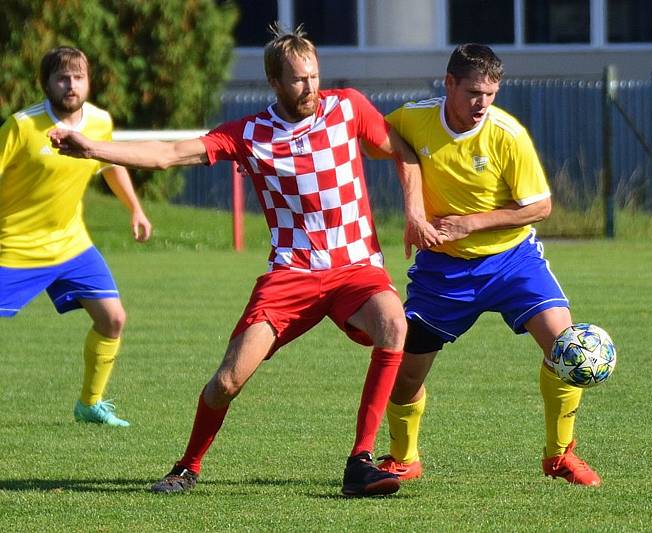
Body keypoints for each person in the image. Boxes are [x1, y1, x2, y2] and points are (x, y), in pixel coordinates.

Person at [50, 26, 440, 497]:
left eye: (314, 76)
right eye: (298, 80)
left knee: (394, 327)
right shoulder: (251, 134)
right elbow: (170, 154)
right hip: (291, 276)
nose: (310, 87)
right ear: (274, 82)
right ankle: (187, 466)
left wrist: (415, 212)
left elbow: (402, 151)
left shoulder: (347, 108)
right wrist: (91, 148)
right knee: (228, 380)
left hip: (356, 269)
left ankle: (360, 462)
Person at [375, 44, 603, 486]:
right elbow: (384, 140)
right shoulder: (412, 117)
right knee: (404, 376)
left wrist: (472, 224)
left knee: (566, 348)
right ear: (449, 83)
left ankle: (560, 455)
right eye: (474, 92)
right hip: (443, 269)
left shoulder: (507, 135)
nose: (482, 104)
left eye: (491, 94)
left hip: (512, 261)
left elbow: (540, 206)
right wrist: (414, 213)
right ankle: (405, 457)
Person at [0, 46, 152, 428]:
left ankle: (90, 404)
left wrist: (135, 208)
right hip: (13, 247)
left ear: (88, 82)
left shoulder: (99, 122)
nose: (71, 85)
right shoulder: (21, 126)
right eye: (62, 78)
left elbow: (111, 164)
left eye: (78, 77)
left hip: (71, 245)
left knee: (113, 319)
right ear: (47, 83)